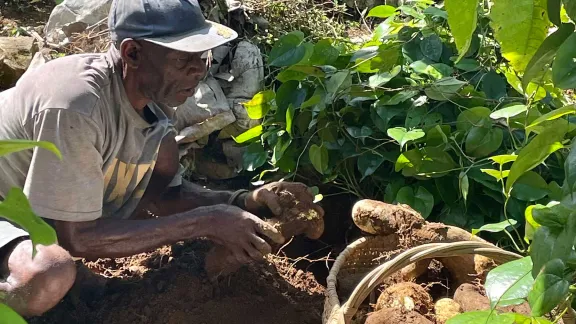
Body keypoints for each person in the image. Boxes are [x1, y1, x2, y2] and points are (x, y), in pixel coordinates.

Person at [0, 0, 324, 317]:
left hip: (35, 212)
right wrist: (205, 221)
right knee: (47, 276)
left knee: (165, 153)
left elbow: (167, 197)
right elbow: (78, 236)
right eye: (184, 58)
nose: (198, 71)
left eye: (203, 56)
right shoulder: (76, 103)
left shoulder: (151, 97)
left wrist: (247, 200)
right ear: (133, 53)